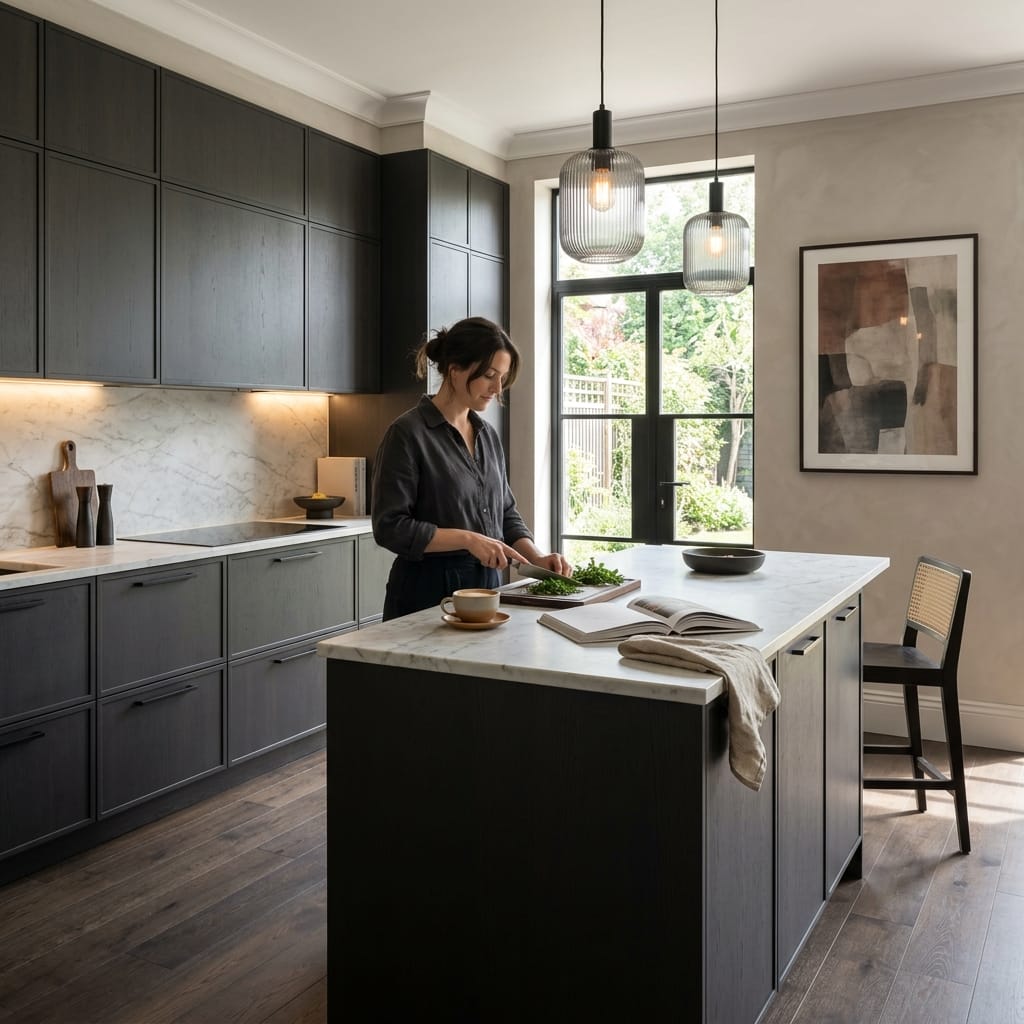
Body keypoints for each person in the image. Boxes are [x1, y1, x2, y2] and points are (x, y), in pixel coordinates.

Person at [371, 316, 572, 621]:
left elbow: (505, 513)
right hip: (426, 593)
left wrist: (537, 558)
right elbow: (390, 527)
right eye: (490, 375)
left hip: (487, 591)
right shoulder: (408, 434)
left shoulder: (487, 435)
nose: (498, 387)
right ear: (455, 370)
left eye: (502, 376)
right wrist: (468, 539)